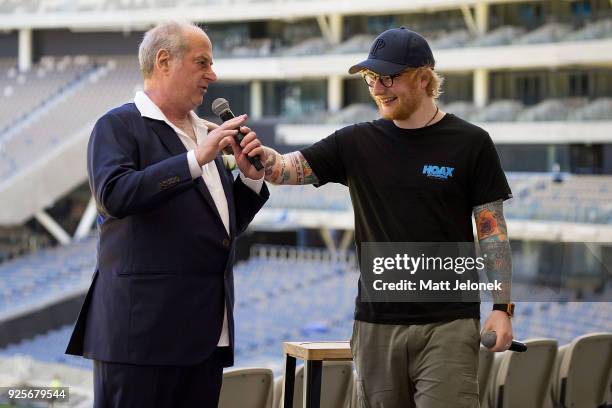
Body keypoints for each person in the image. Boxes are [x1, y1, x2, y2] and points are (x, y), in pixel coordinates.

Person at [262, 27, 514, 407]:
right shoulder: (355, 142)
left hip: (448, 324)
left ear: (424, 78)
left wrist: (501, 308)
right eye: (371, 78)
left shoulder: (471, 142)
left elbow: (492, 231)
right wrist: (261, 159)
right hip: (376, 326)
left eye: (389, 77)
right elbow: (285, 168)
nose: (378, 89)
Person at [65, 21, 268, 407]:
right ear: (163, 61)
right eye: (202, 62)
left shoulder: (202, 133)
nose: (213, 74)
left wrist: (250, 178)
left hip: (204, 339)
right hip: (142, 342)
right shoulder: (119, 125)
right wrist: (194, 159)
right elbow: (114, 195)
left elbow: (219, 228)